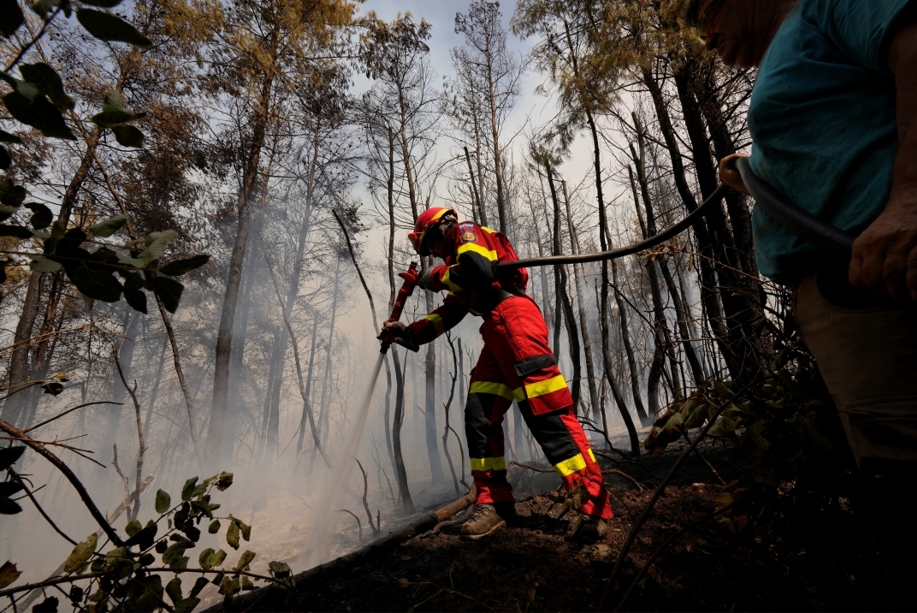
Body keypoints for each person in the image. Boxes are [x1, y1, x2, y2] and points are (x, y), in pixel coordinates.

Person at [683, 0, 917, 473]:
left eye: (707, 13)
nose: (705, 37)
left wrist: (911, 197)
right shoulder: (792, 46)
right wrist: (754, 172)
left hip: (881, 287)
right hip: (849, 295)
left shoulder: (822, 4)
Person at [381, 207, 613, 540]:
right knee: (479, 414)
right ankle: (494, 503)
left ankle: (594, 507)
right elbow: (449, 312)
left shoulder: (467, 233)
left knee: (548, 415)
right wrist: (406, 333)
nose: (431, 254)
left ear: (438, 232)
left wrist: (429, 277)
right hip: (497, 330)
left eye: (429, 246)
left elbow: (477, 270)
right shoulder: (456, 267)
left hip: (515, 321)